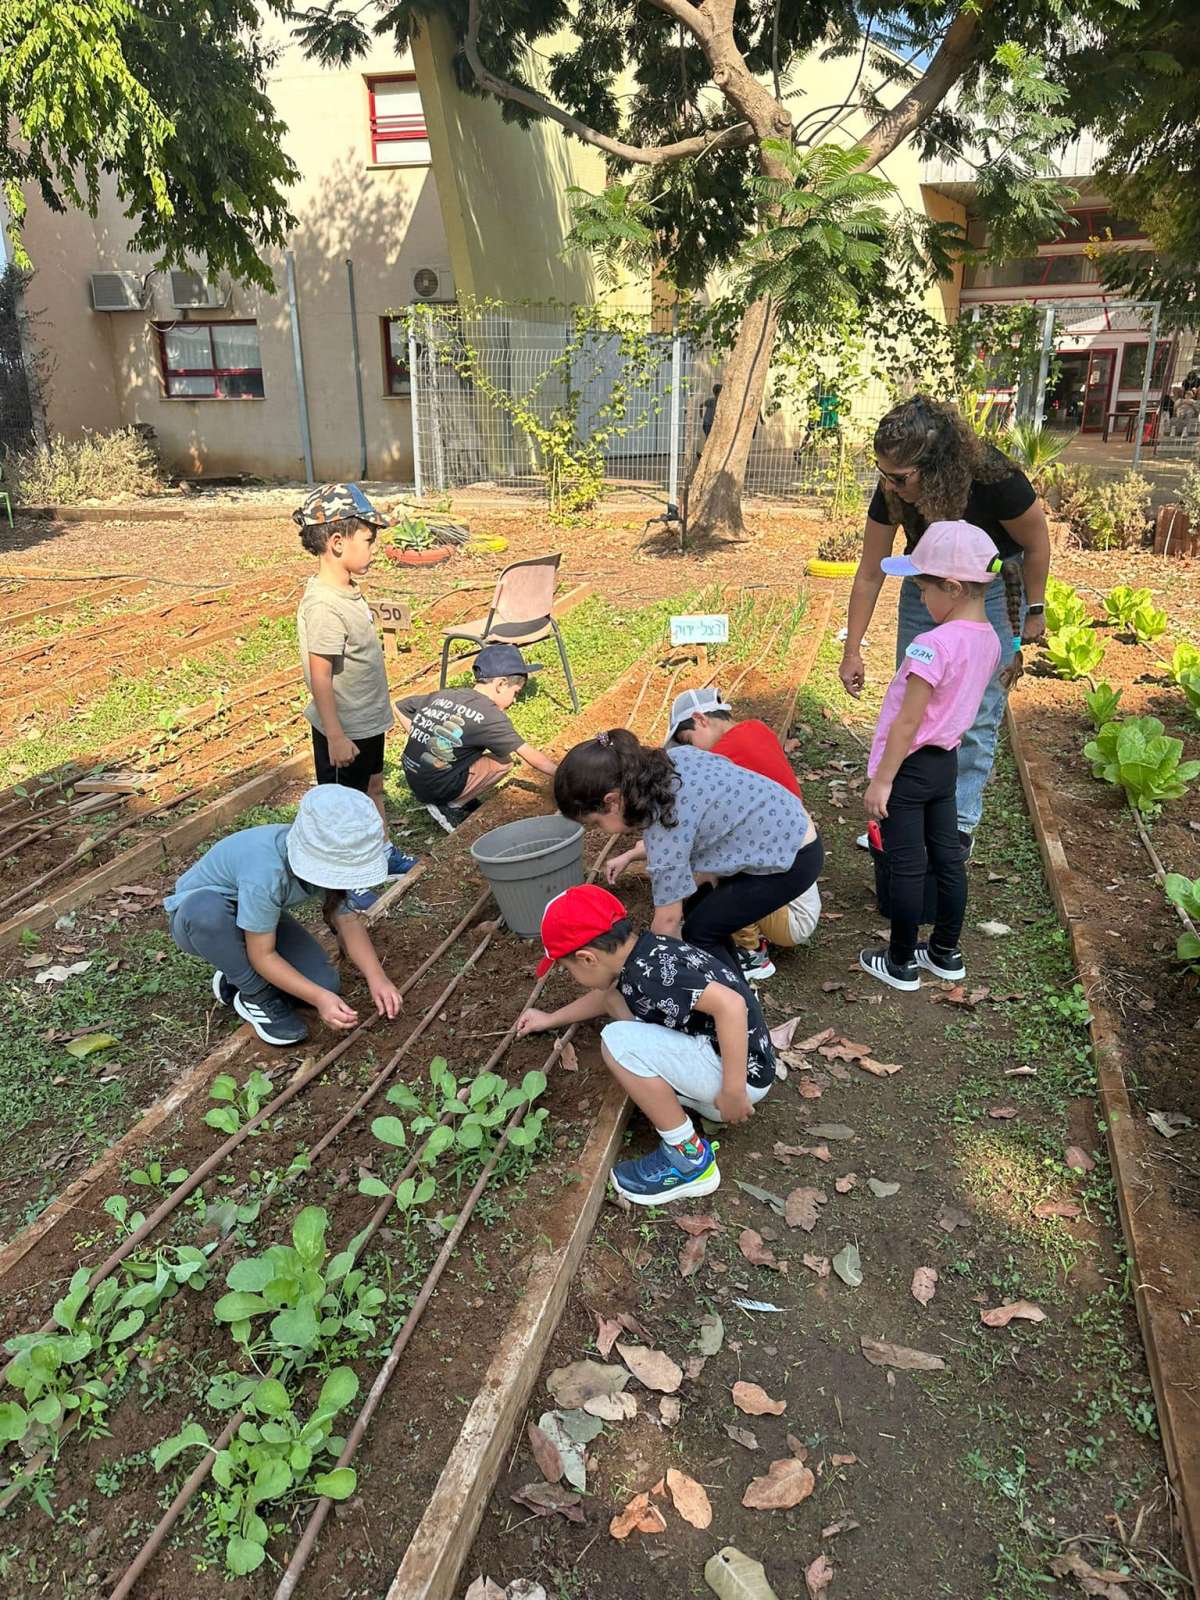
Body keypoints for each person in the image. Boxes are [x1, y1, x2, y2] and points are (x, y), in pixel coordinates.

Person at [838, 395, 1050, 849]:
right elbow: (871, 571)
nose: (889, 486)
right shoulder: (895, 485)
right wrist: (852, 648)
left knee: (974, 711)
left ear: (935, 467)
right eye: (882, 475)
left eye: (898, 478)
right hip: (927, 581)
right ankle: (907, 817)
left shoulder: (995, 480)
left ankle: (958, 825)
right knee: (913, 703)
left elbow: (1036, 541)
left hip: (989, 587)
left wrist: (1035, 607)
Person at [516, 884, 776, 1204]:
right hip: (733, 1058)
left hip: (739, 1081)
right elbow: (606, 997)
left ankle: (689, 1160)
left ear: (586, 958)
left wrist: (734, 1091)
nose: (571, 976)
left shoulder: (649, 975)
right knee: (615, 1001)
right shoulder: (645, 953)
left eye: (567, 969)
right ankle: (689, 1101)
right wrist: (550, 1018)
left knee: (617, 1042)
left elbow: (732, 1006)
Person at [858, 521, 1002, 992]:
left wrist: (882, 780)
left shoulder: (932, 645)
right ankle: (944, 951)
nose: (921, 601)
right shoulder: (991, 640)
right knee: (947, 858)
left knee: (904, 863)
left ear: (954, 588)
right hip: (947, 764)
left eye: (923, 590)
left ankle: (900, 961)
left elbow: (907, 722)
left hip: (911, 765)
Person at [554, 727, 823, 968]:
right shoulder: (676, 759)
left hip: (792, 859)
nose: (601, 829)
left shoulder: (665, 831)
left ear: (612, 802)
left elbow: (668, 922)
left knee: (701, 931)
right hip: (791, 828)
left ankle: (739, 1012)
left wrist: (651, 968)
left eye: (597, 822)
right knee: (701, 907)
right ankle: (729, 991)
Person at [605, 687, 822, 981]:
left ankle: (752, 953)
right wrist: (633, 854)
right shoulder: (756, 730)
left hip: (794, 910)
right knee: (705, 877)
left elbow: (680, 842)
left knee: (708, 878)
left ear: (700, 719)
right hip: (798, 855)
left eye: (686, 740)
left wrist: (671, 925)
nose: (690, 750)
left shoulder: (718, 757)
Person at [164, 786, 404, 1047]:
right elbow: (263, 954)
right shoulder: (266, 874)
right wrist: (319, 1000)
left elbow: (346, 919)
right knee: (206, 911)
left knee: (324, 982)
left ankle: (235, 971)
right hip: (200, 922)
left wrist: (377, 978)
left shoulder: (325, 851)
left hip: (256, 917)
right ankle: (256, 994)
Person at [294, 482, 416, 911]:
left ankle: (379, 854)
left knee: (373, 789)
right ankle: (347, 880)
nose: (373, 549)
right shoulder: (325, 605)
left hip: (363, 723)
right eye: (369, 540)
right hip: (342, 730)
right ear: (337, 542)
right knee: (343, 809)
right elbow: (320, 677)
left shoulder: (347, 591)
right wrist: (335, 735)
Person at [394, 643, 558, 831]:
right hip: (436, 786)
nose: (514, 700)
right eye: (515, 693)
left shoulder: (448, 694)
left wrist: (420, 735)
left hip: (414, 775)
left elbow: (399, 706)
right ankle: (450, 806)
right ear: (501, 684)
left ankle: (456, 794)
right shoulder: (490, 716)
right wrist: (566, 775)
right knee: (503, 762)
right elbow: (532, 757)